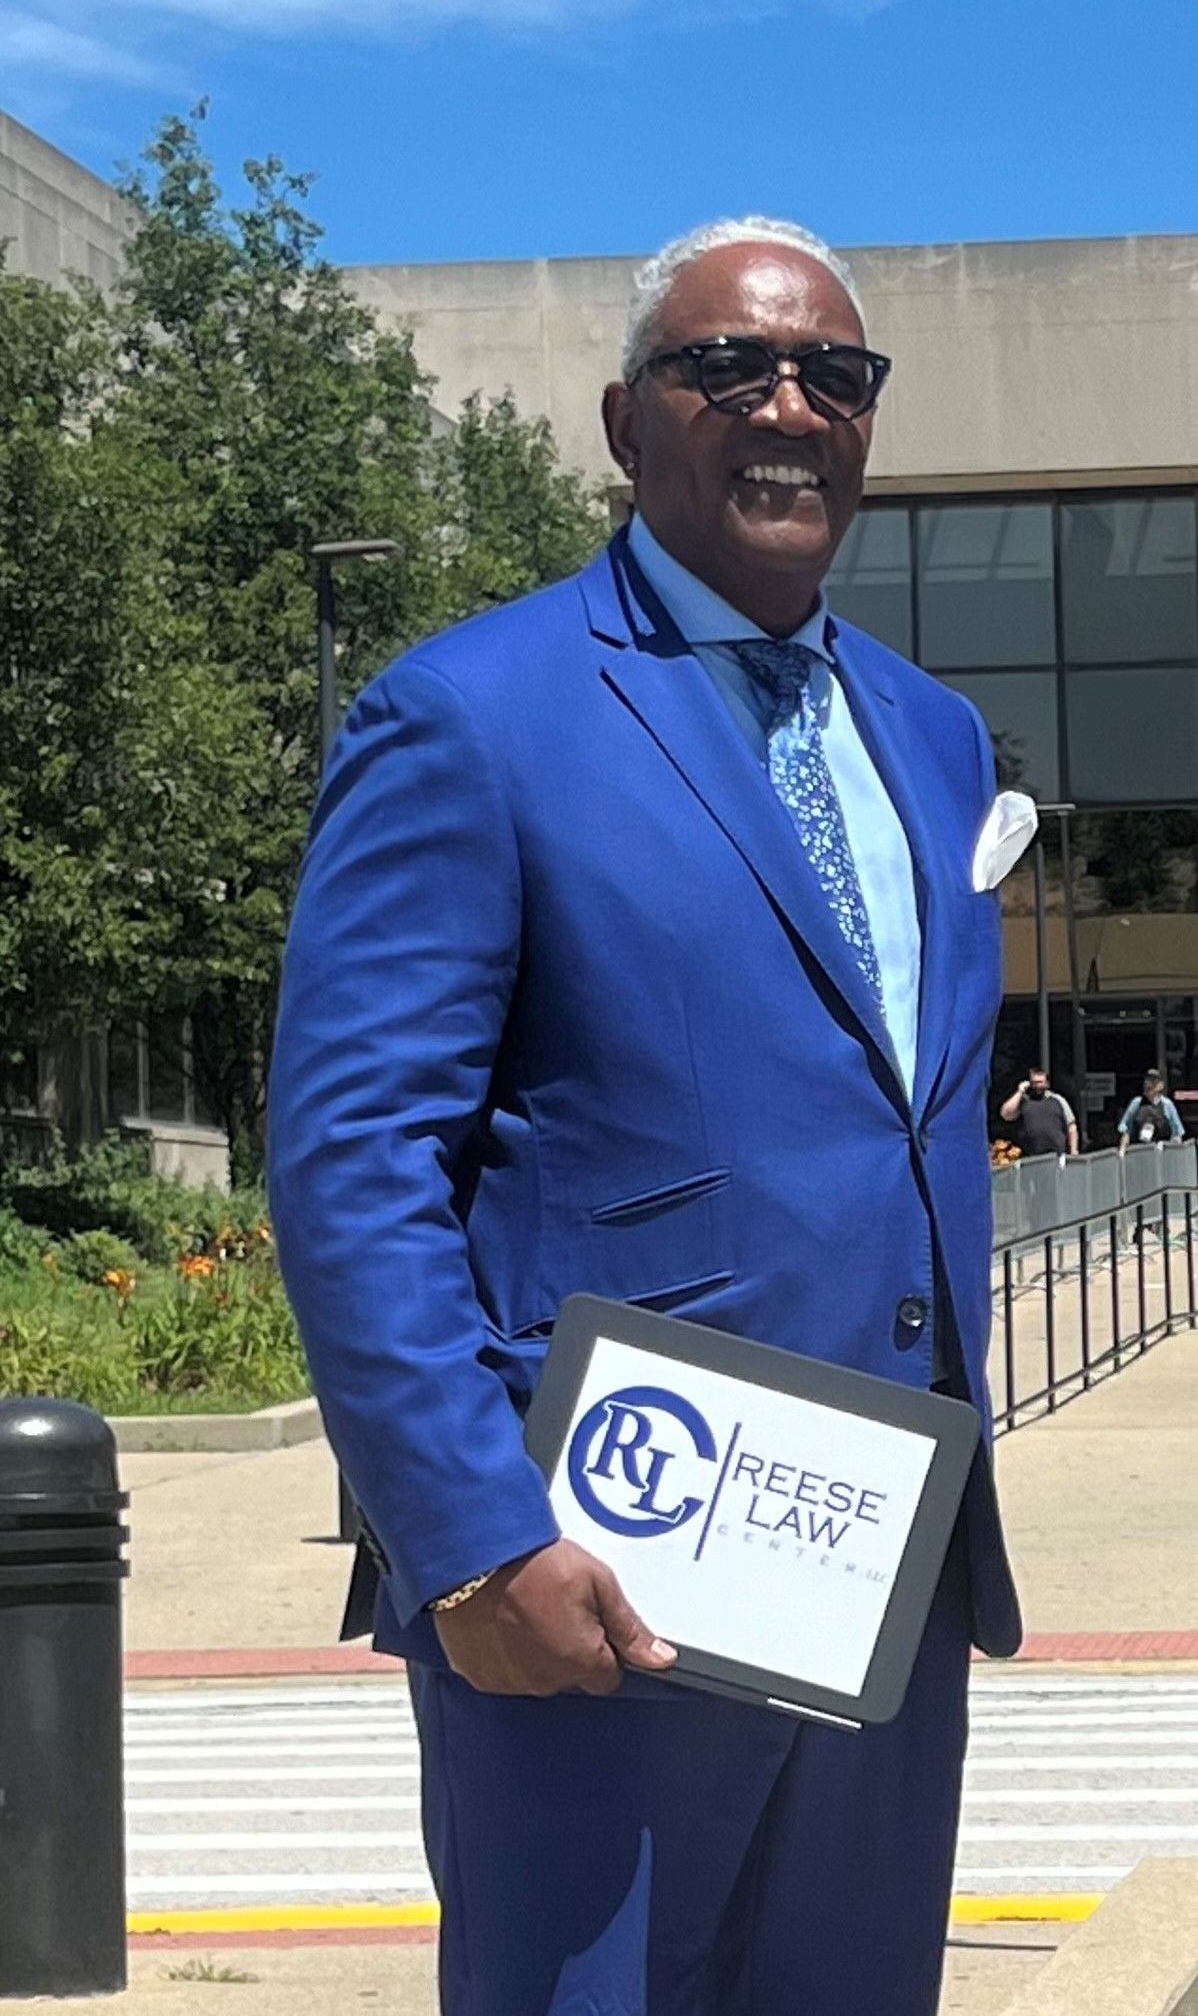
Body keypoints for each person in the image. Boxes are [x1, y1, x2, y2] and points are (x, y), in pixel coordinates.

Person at [268, 215, 1022, 2016]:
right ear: (624, 421)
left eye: (831, 375)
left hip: (876, 1570)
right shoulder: (469, 714)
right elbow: (352, 1158)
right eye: (725, 367)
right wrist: (470, 1538)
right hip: (600, 1577)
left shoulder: (930, 735)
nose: (785, 402)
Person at [999, 1067, 1079, 1157]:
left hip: (1058, 1157)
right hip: (1031, 1159)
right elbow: (1006, 1114)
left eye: (1041, 1082)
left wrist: (1074, 1151)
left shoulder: (1058, 1100)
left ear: (1047, 1084)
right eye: (1034, 1083)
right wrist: (1020, 1091)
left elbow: (1071, 1127)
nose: (1038, 1086)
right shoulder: (1023, 1101)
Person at [1117, 1068, 1183, 1154]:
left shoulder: (1167, 1104)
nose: (1148, 1084)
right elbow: (1126, 1130)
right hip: (1138, 1154)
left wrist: (1167, 1145)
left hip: (1161, 1157)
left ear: (1160, 1085)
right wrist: (1122, 1151)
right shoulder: (1136, 1103)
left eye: (1153, 1081)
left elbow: (1177, 1134)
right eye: (1147, 1080)